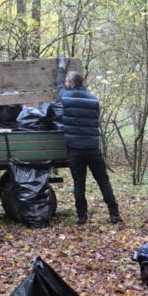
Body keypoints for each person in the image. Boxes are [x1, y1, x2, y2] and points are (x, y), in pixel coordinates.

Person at [58, 64, 122, 225]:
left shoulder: (65, 97)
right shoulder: (93, 99)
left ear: (71, 83)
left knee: (79, 183)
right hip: (92, 148)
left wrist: (60, 68)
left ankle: (82, 216)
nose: (65, 83)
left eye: (67, 81)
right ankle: (114, 214)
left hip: (74, 149)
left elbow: (58, 86)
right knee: (103, 181)